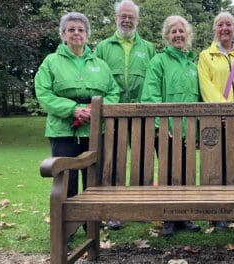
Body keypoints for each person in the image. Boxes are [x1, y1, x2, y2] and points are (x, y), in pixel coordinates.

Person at [35, 12, 119, 200]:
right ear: (63, 35)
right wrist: (73, 109)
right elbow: (44, 93)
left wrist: (95, 109)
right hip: (63, 132)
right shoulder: (51, 62)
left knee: (94, 177)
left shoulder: (101, 65)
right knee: (66, 179)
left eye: (81, 30)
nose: (76, 33)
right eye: (70, 29)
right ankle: (66, 225)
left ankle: (92, 221)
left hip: (94, 131)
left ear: (87, 35)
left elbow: (114, 92)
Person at [95, 0, 156, 229]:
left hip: (141, 113)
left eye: (131, 16)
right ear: (116, 18)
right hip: (113, 114)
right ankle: (113, 211)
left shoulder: (148, 47)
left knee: (142, 160)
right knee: (113, 162)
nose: (127, 20)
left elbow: (152, 80)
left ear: (138, 20)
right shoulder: (102, 47)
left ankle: (140, 207)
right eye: (123, 16)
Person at [141, 15, 201, 237]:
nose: (177, 35)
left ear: (188, 35)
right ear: (167, 36)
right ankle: (168, 217)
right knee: (167, 173)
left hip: (188, 131)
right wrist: (161, 124)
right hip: (166, 130)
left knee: (186, 173)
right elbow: (150, 96)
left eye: (181, 31)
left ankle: (184, 216)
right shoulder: (158, 61)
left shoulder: (193, 64)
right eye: (173, 31)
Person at [198, 11, 234, 230]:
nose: (225, 28)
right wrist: (222, 108)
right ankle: (216, 211)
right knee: (216, 165)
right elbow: (205, 85)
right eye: (220, 24)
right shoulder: (206, 56)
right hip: (215, 120)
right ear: (215, 29)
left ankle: (229, 208)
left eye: (229, 24)